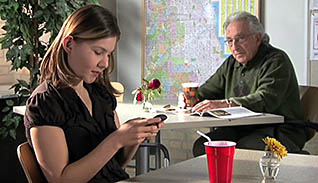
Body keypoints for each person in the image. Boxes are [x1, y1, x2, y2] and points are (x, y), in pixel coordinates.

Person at [24, 5, 164, 182]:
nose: (105, 63)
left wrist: (134, 136)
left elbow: (114, 164)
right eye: (98, 52)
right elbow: (61, 180)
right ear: (69, 44)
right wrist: (116, 139)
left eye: (109, 54)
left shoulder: (100, 94)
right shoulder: (46, 103)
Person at [191, 11, 307, 157]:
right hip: (242, 128)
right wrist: (191, 98)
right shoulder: (232, 63)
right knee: (203, 147)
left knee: (245, 149)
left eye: (240, 39)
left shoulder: (276, 60)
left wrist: (226, 103)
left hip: (282, 129)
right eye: (229, 41)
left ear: (258, 38)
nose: (234, 46)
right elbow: (208, 91)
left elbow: (265, 100)